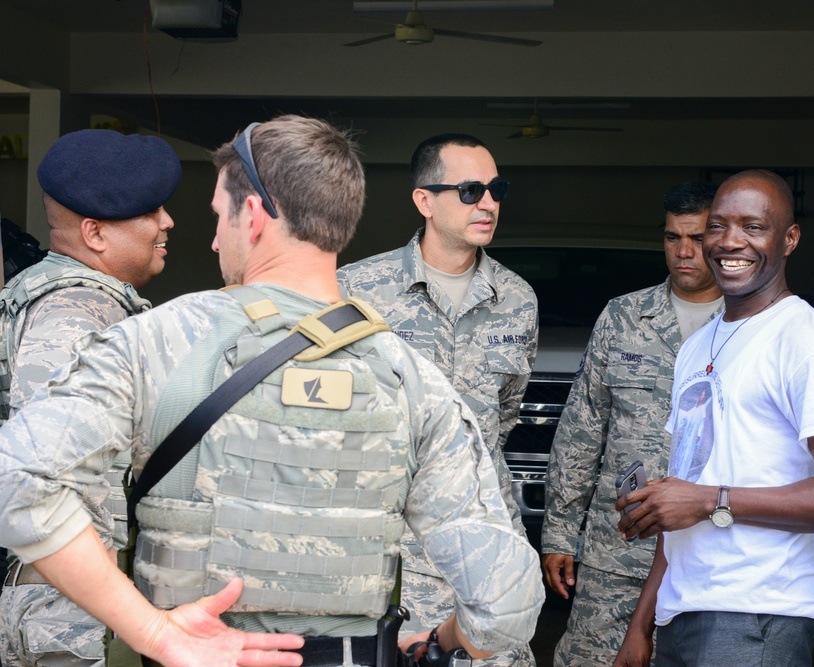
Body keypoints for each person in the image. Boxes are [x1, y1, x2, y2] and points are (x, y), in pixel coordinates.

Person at [0, 115, 544, 667]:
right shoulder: (414, 380)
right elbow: (508, 602)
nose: (213, 239)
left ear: (253, 216)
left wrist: (156, 635)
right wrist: (433, 644)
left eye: (218, 217)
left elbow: (17, 482)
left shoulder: (156, 342)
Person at [613, 169, 814, 667]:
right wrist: (642, 623)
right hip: (684, 608)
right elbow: (685, 495)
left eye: (753, 227)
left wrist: (709, 500)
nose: (730, 241)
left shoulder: (803, 342)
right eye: (718, 226)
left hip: (759, 615)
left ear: (789, 239)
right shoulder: (697, 347)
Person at [338, 133, 538, 667]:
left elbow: (504, 413)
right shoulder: (357, 291)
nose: (489, 203)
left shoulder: (517, 299)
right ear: (424, 201)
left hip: (487, 542)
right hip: (391, 547)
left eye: (497, 189)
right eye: (471, 190)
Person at [0, 129, 181, 667]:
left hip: (80, 603)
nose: (167, 221)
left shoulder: (93, 302)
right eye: (149, 212)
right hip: (67, 614)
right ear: (95, 234)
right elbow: (36, 476)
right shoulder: (76, 310)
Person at [540, 181, 723, 666]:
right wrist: (560, 534)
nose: (684, 252)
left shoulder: (751, 323)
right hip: (617, 552)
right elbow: (581, 432)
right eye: (671, 238)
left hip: (712, 553)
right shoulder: (623, 317)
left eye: (698, 238)